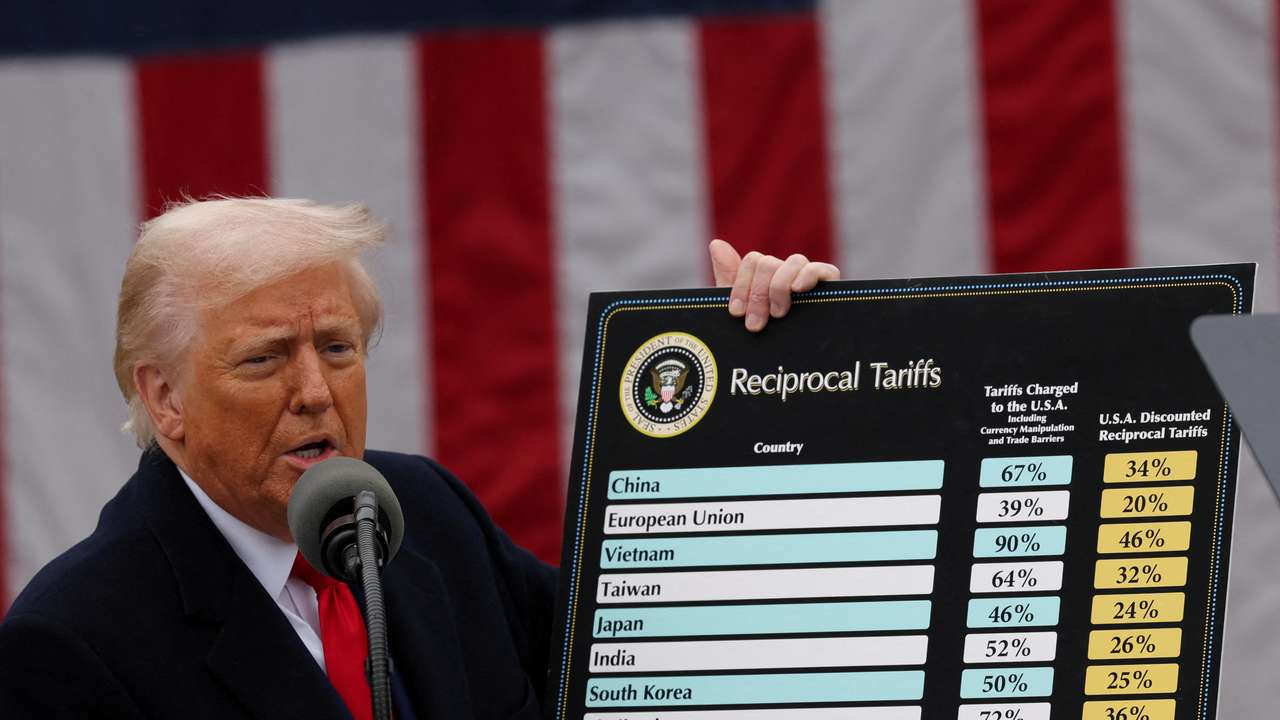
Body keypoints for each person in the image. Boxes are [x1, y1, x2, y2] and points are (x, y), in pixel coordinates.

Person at [0, 198, 839, 718]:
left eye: (337, 346)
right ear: (164, 398)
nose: (314, 391)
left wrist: (769, 378)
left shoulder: (423, 510)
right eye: (263, 359)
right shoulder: (70, 645)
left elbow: (654, 665)